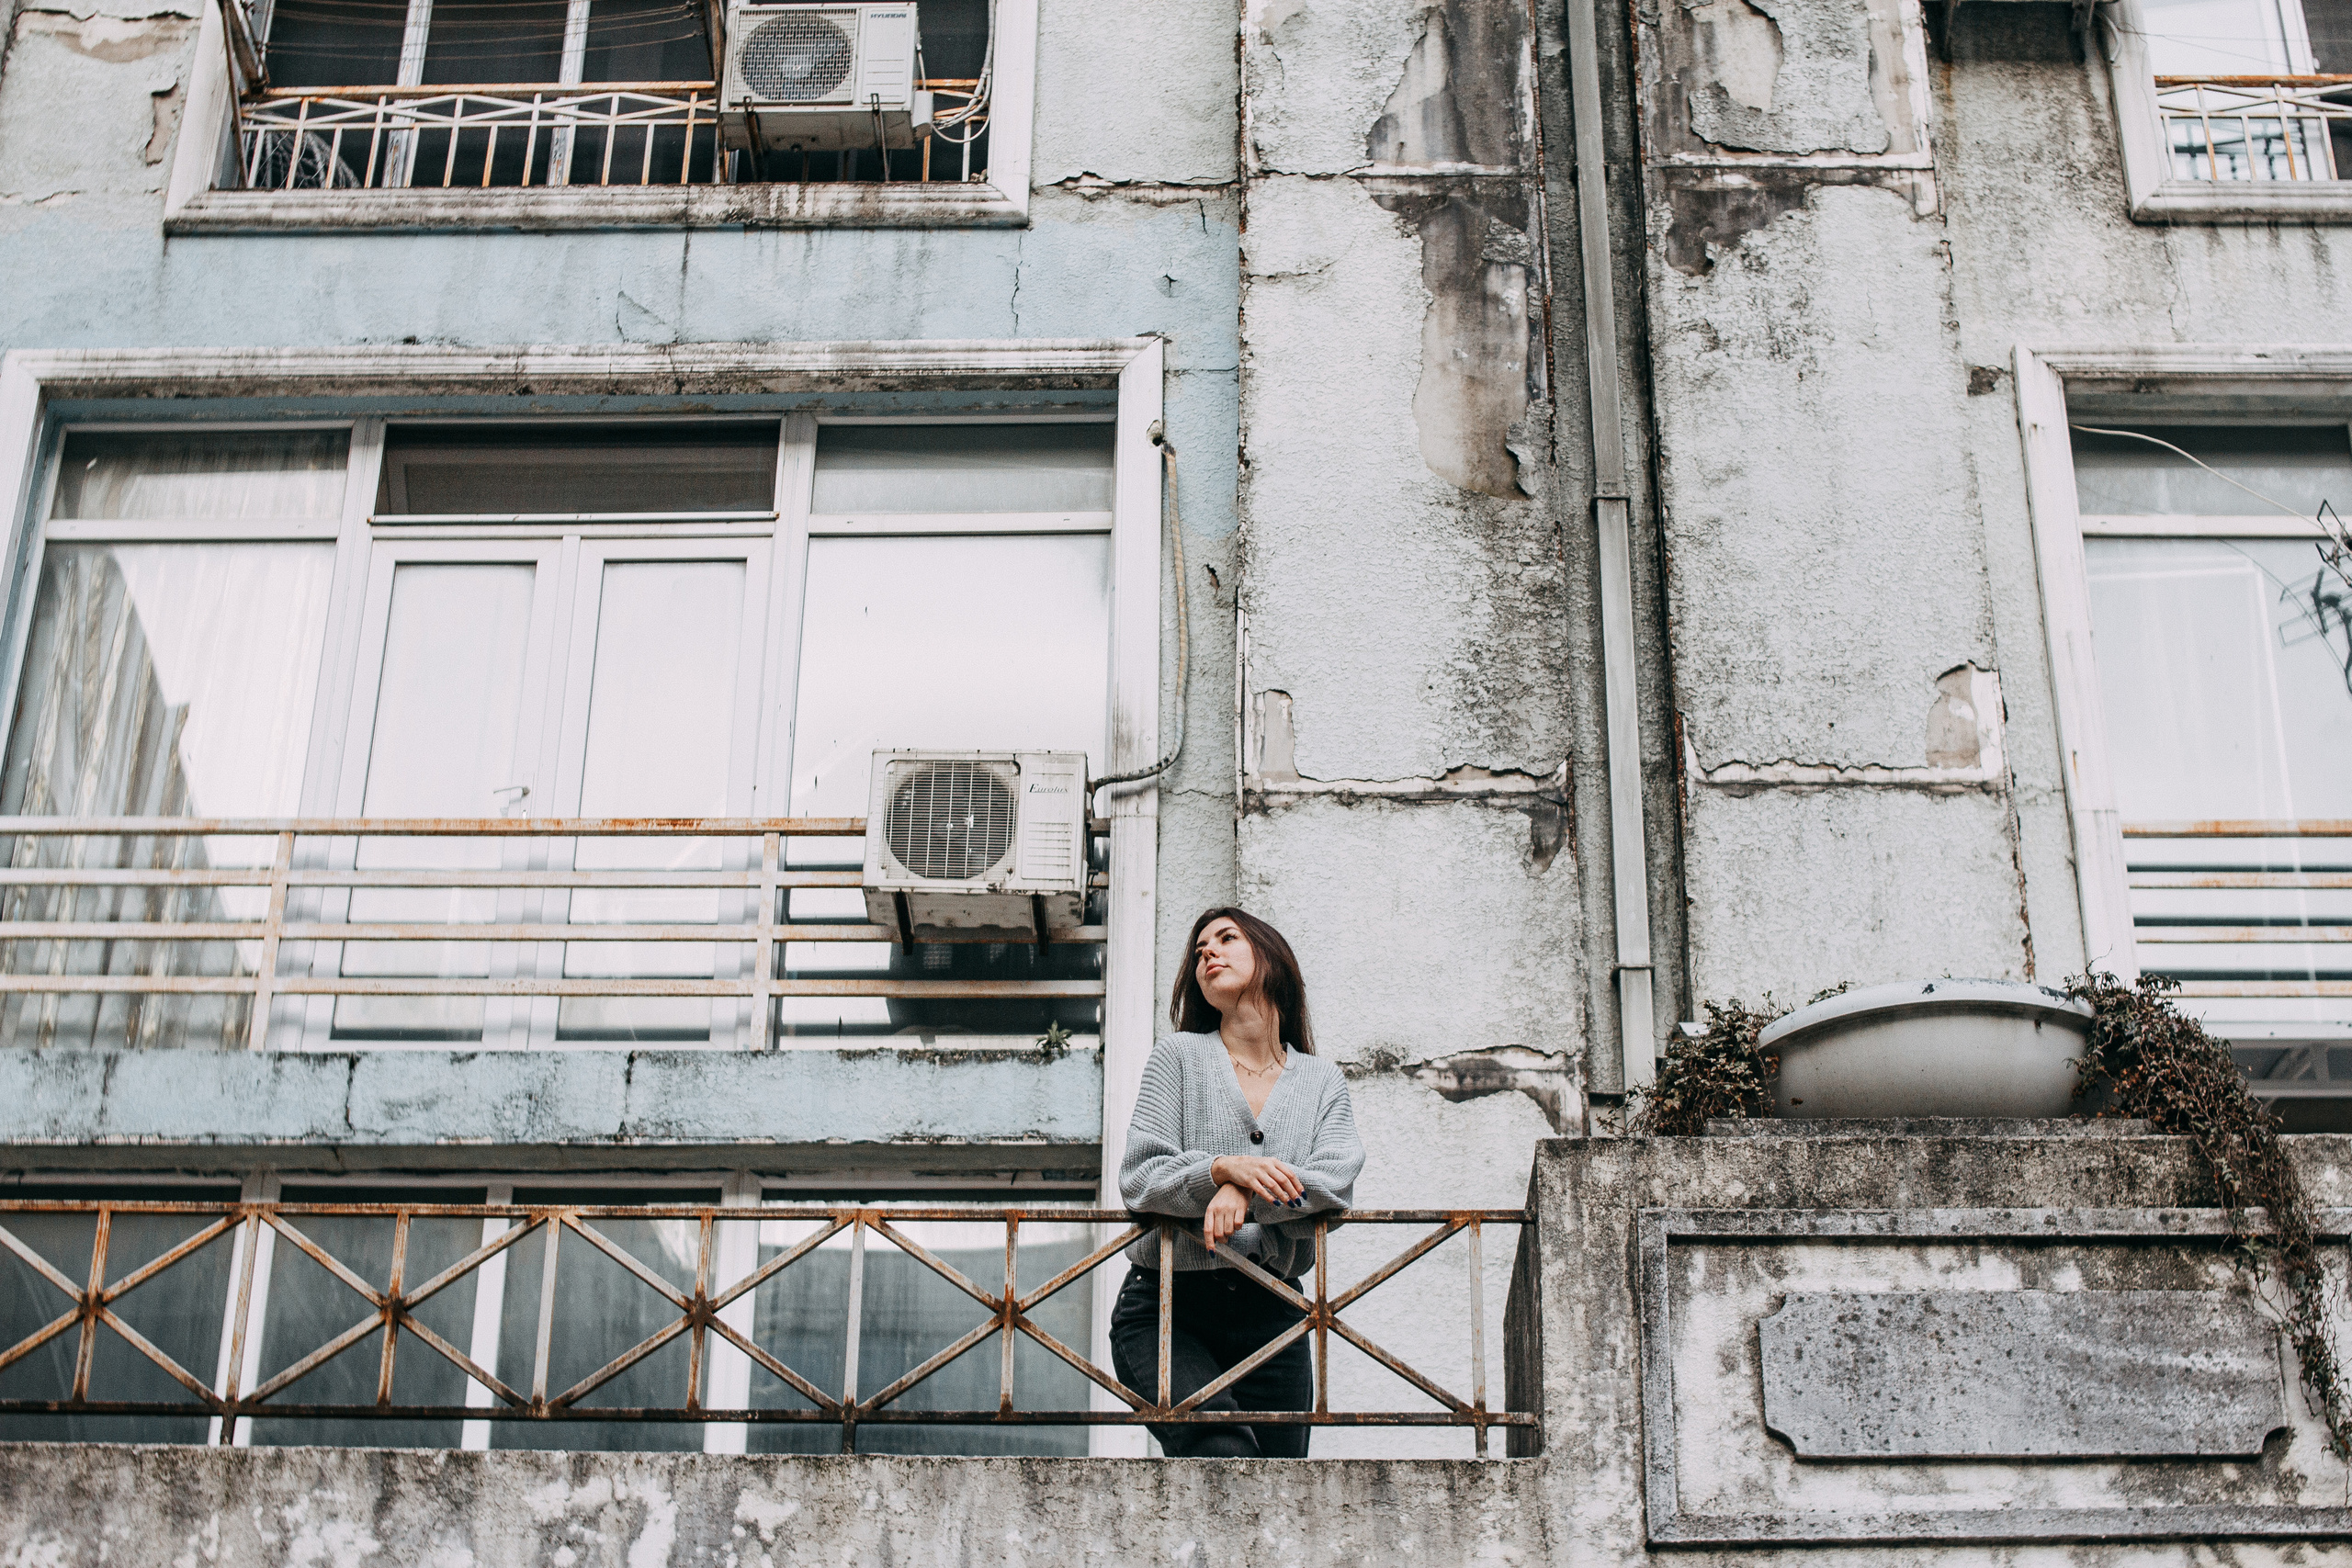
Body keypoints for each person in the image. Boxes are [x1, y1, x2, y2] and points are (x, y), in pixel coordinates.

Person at [1111, 906, 1364, 1457]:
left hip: (1274, 1314)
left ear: (1271, 958)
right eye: (1200, 949)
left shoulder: (1321, 1082)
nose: (1207, 953)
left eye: (1226, 939)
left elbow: (1335, 1184)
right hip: (1167, 1308)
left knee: (1283, 1486)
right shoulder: (1178, 1057)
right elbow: (1139, 1178)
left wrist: (1246, 1192)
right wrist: (1220, 1170)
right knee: (1221, 1449)